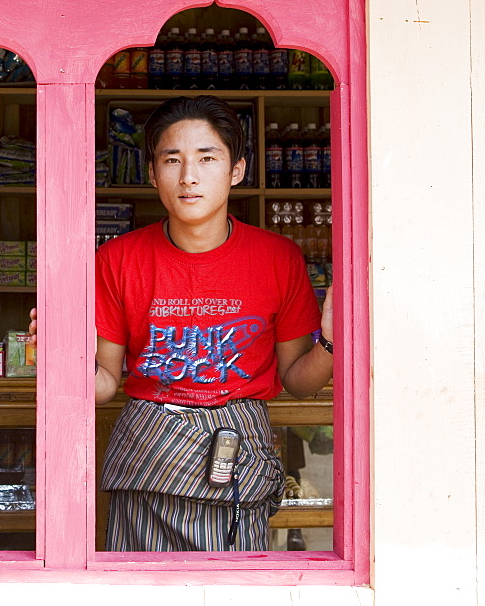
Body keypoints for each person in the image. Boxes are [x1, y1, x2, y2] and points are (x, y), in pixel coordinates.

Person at [28, 94, 333, 552]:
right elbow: (106, 381)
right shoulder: (117, 260)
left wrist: (332, 341)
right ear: (152, 173)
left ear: (237, 170)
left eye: (207, 158)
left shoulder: (278, 259)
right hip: (147, 460)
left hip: (234, 461)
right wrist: (57, 358)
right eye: (172, 160)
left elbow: (299, 382)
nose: (188, 176)